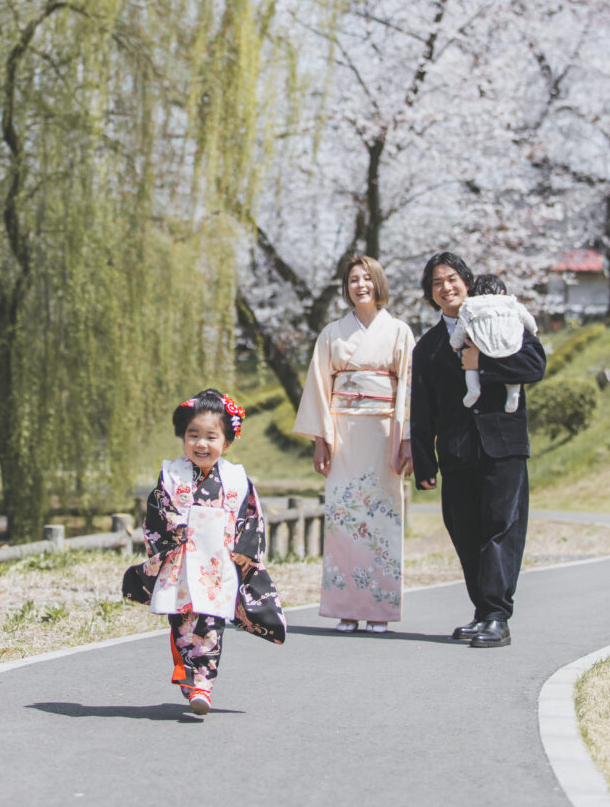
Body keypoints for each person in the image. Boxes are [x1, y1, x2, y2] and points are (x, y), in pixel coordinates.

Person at [410, 252, 546, 648]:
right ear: (430, 294)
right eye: (437, 283)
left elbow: (534, 364)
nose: (446, 287)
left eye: (452, 279)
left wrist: (482, 362)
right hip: (456, 452)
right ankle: (483, 609)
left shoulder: (501, 319)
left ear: (467, 282)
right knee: (464, 529)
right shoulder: (428, 347)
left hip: (503, 443)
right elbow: (422, 409)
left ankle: (496, 615)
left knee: (500, 527)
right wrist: (423, 461)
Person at [122, 388, 285, 716]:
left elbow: (250, 515)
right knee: (182, 620)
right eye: (192, 435)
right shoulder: (172, 475)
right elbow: (157, 513)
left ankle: (203, 683)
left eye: (211, 436)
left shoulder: (236, 478)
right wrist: (169, 535)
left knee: (211, 621)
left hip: (217, 562)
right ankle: (187, 672)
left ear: (226, 442)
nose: (200, 443)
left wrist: (245, 550)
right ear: (182, 437)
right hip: (181, 560)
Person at [293, 255, 414, 634]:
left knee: (382, 519)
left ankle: (379, 608)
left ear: (378, 283)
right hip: (343, 432)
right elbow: (318, 386)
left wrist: (407, 439)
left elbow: (409, 389)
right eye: (353, 280)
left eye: (366, 278)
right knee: (344, 518)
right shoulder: (332, 333)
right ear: (345, 287)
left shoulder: (399, 332)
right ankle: (346, 606)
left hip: (382, 434)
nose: (360, 285)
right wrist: (321, 441)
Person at [450, 274, 539, 413]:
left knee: (470, 364)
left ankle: (473, 390)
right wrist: (533, 330)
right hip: (509, 343)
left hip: (482, 344)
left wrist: (455, 344)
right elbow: (527, 318)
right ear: (502, 291)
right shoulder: (511, 303)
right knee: (512, 367)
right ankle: (513, 393)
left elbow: (462, 327)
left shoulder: (471, 305)